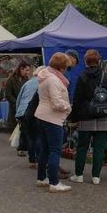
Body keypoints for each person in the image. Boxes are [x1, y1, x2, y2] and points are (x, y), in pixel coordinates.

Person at [69, 50, 107, 185]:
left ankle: (79, 175)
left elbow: (77, 100)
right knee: (99, 148)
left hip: (86, 117)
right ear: (99, 61)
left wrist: (74, 119)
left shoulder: (82, 77)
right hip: (104, 117)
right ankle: (96, 177)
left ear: (85, 62)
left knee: (82, 147)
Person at [35, 52, 73, 193]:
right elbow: (57, 102)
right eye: (66, 67)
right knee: (55, 150)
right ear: (61, 67)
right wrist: (68, 107)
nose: (66, 69)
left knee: (45, 149)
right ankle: (54, 182)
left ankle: (41, 178)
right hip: (52, 119)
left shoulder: (45, 76)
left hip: (42, 116)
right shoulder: (54, 80)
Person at [16, 66, 45, 168]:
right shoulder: (43, 83)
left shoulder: (27, 83)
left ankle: (32, 160)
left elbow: (19, 99)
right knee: (37, 136)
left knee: (30, 137)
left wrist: (18, 114)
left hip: (23, 112)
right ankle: (37, 159)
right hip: (34, 112)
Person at [5, 60, 31, 156]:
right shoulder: (11, 79)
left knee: (22, 128)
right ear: (21, 69)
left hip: (25, 108)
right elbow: (8, 94)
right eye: (27, 70)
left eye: (29, 70)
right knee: (16, 127)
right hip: (15, 107)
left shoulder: (27, 80)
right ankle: (19, 148)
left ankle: (22, 147)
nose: (28, 72)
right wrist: (17, 103)